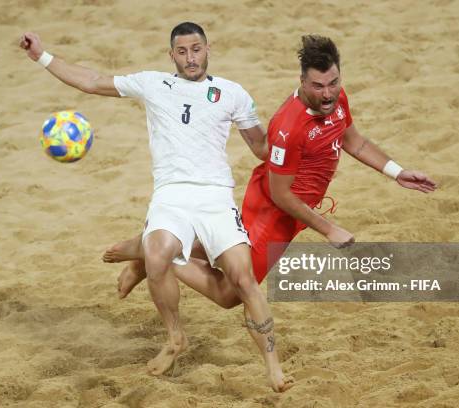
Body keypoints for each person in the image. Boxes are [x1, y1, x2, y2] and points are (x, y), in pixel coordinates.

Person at [19, 22, 294, 392]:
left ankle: (273, 366)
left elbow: (262, 149)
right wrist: (41, 55)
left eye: (196, 49)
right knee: (158, 252)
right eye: (182, 51)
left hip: (215, 197)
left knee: (243, 280)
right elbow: (92, 81)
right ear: (172, 55)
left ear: (207, 48)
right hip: (172, 195)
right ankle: (175, 337)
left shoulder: (232, 93)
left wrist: (297, 115)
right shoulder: (153, 84)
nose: (190, 57)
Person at [104, 34, 437, 307]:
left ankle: (155, 248)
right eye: (319, 87)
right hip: (274, 210)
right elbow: (280, 194)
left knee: (222, 251)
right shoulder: (288, 127)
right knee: (230, 295)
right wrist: (329, 229)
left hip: (298, 210)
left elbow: (355, 142)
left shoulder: (336, 98)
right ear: (303, 82)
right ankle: (153, 254)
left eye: (333, 83)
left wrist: (397, 171)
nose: (328, 94)